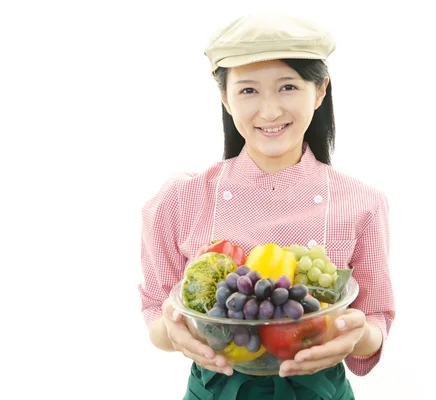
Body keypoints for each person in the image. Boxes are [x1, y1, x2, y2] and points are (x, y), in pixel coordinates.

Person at [139, 13, 396, 399]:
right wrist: (174, 332)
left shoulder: (361, 204)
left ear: (321, 90)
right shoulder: (179, 199)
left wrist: (355, 334)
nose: (271, 111)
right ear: (225, 98)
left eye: (288, 86)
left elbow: (374, 322)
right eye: (248, 91)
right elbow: (157, 315)